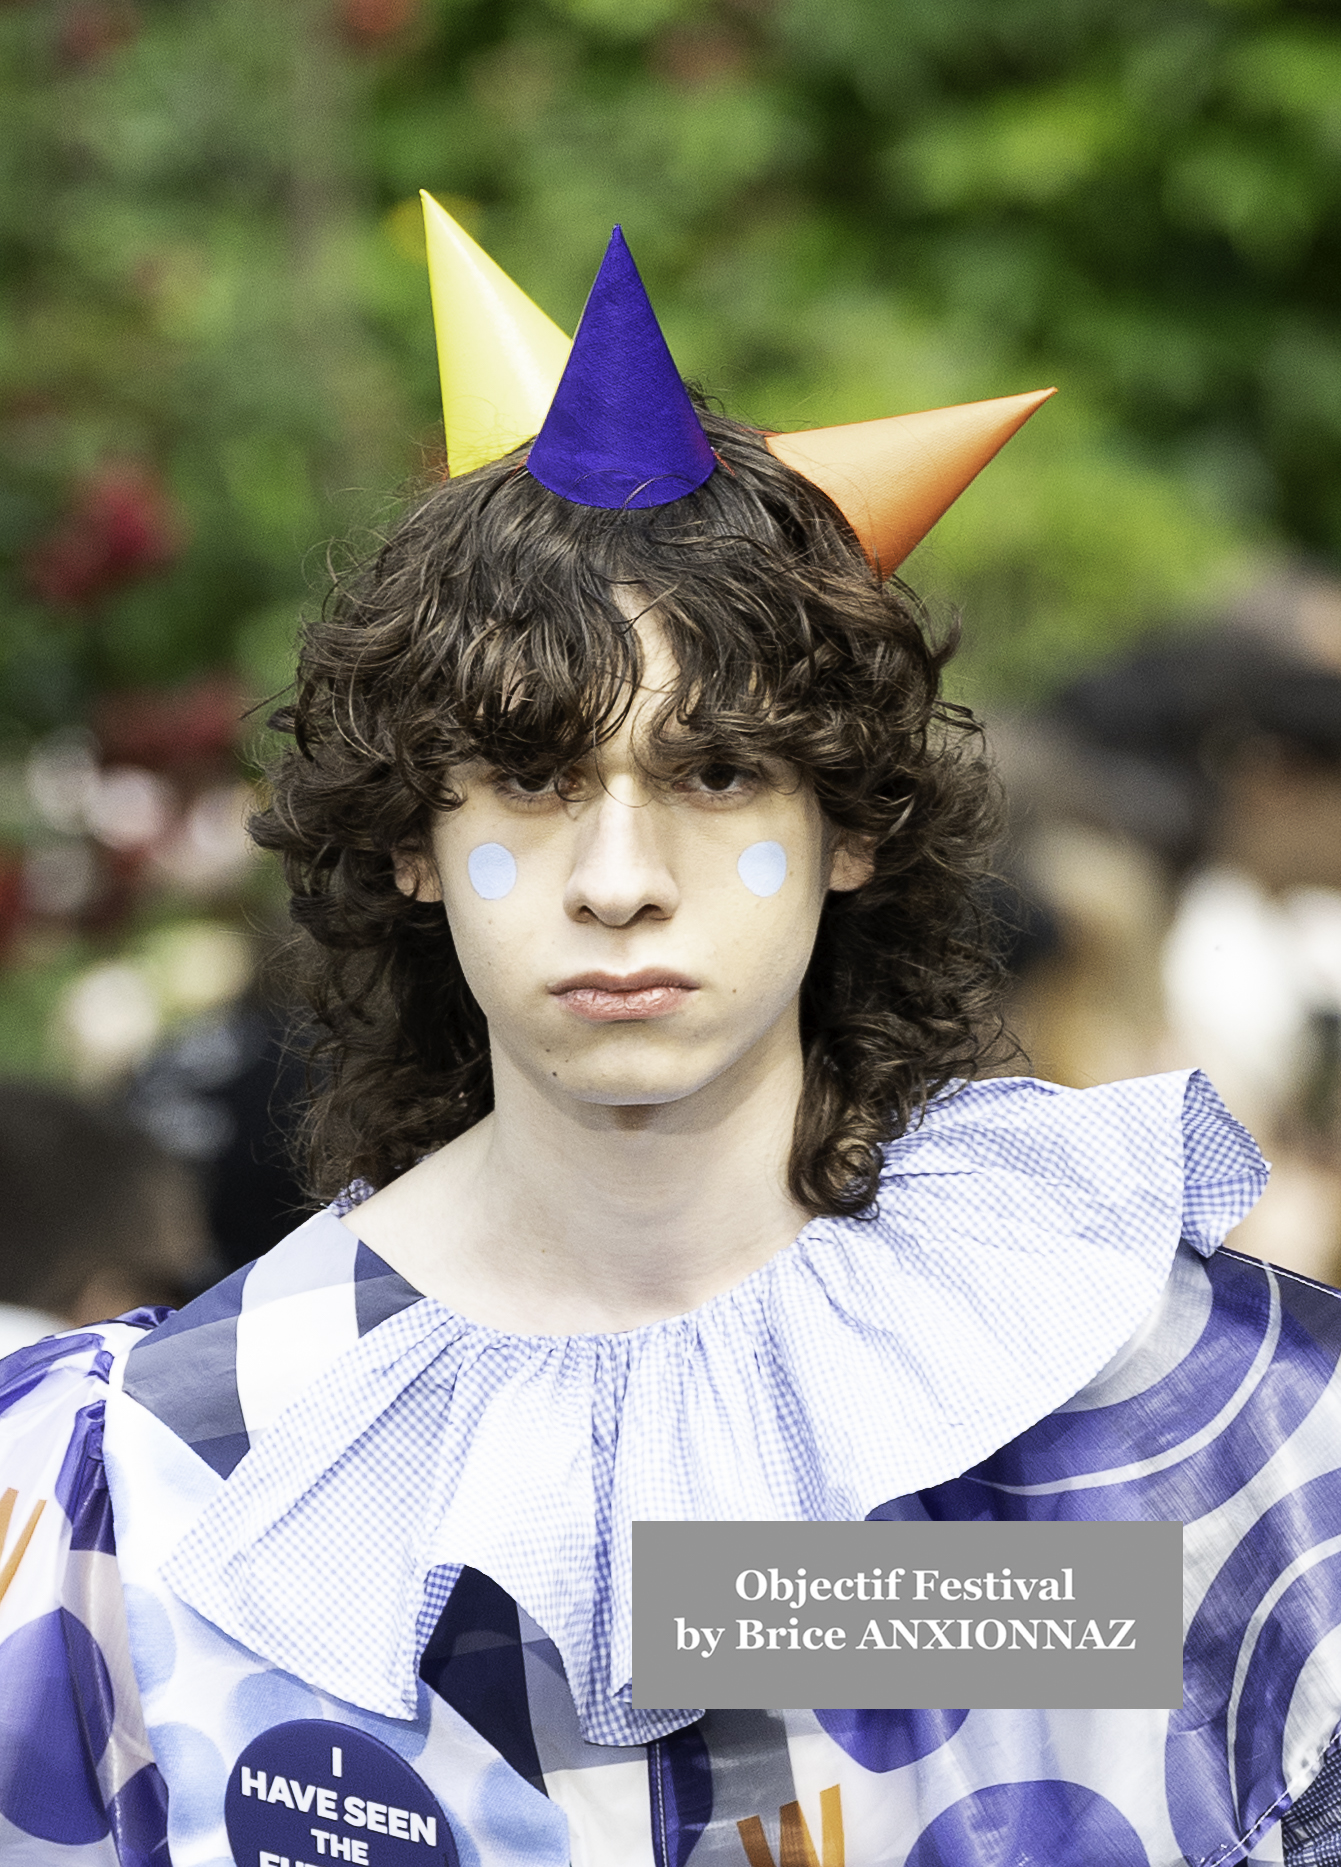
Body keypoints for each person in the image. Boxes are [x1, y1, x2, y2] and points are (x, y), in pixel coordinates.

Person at [3, 204, 1341, 1867]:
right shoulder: (138, 1476)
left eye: (714, 775)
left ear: (847, 824)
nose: (621, 881)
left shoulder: (1214, 1431)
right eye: (534, 777)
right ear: (414, 840)